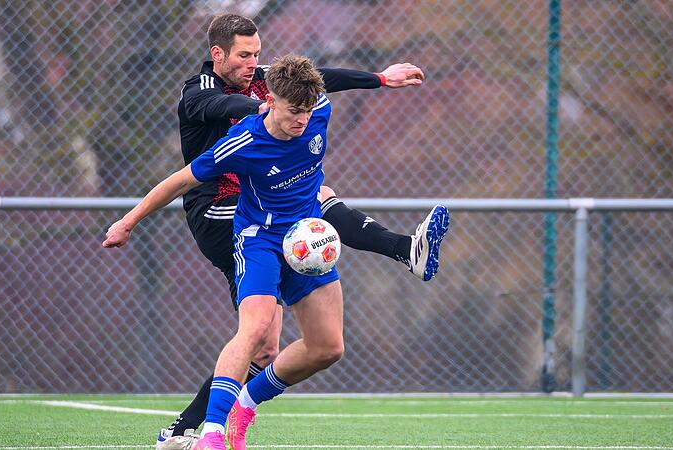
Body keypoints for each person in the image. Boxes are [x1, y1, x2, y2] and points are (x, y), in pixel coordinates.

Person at [103, 54, 449, 450]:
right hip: (260, 241)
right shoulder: (243, 142)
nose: (301, 120)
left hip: (306, 238)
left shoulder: (319, 110)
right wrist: (128, 221)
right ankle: (211, 433)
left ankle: (246, 402)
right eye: (292, 112)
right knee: (254, 331)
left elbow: (327, 80)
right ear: (269, 100)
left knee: (328, 348)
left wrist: (382, 79)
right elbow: (178, 181)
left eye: (306, 110)